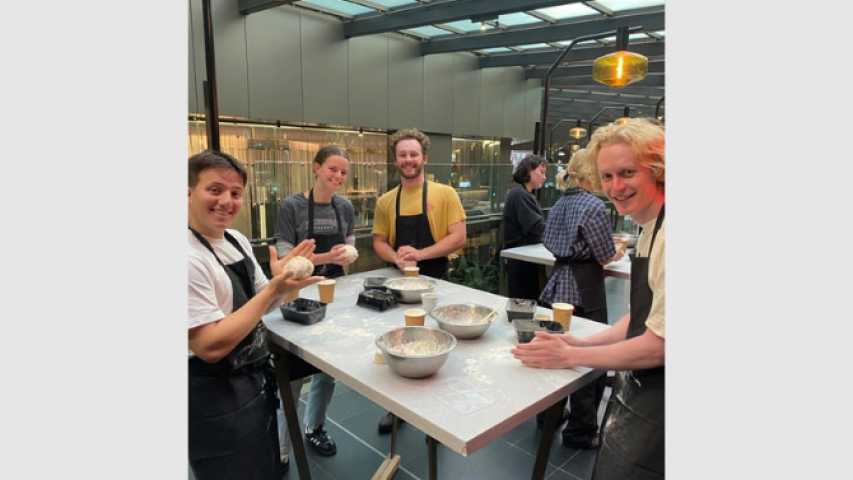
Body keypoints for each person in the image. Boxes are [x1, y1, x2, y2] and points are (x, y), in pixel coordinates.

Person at [512, 118, 665, 479]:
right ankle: (581, 428)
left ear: (657, 170)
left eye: (627, 172)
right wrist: (580, 343)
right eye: (608, 176)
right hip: (585, 284)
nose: (616, 186)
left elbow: (659, 345)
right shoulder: (647, 228)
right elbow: (644, 319)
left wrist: (572, 353)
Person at [187, 150, 323, 479]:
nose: (227, 201)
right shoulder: (187, 257)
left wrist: (289, 284)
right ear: (187, 192)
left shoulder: (236, 239)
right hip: (212, 394)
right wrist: (275, 290)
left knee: (263, 466)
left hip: (251, 380)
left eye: (235, 193)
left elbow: (267, 298)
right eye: (215, 190)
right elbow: (209, 345)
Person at [371, 128, 466, 433]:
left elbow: (458, 237)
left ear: (424, 157)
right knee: (399, 347)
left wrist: (419, 254)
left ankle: (438, 417)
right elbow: (379, 241)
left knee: (436, 346)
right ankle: (396, 408)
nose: (408, 160)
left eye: (414, 154)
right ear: (396, 159)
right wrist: (396, 258)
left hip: (436, 282)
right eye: (403, 155)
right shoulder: (387, 201)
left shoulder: (445, 194)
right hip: (399, 286)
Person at [275, 145, 358, 460]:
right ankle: (283, 445)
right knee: (293, 372)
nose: (337, 176)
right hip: (298, 294)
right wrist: (325, 256)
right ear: (316, 168)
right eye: (332, 169)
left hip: (333, 291)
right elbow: (285, 258)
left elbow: (349, 246)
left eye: (343, 172)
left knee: (327, 368)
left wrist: (349, 253)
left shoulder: (345, 207)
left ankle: (315, 427)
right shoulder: (291, 206)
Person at [538, 148, 624, 449]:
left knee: (552, 353)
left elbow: (551, 242)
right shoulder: (594, 206)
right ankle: (580, 431)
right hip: (584, 289)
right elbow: (603, 255)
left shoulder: (559, 203)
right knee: (589, 359)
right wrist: (619, 250)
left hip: (556, 285)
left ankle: (547, 417)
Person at [502, 154, 547, 300]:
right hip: (521, 261)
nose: (544, 177)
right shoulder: (519, 194)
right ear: (529, 171)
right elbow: (537, 227)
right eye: (541, 172)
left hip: (525, 257)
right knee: (524, 303)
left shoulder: (522, 193)